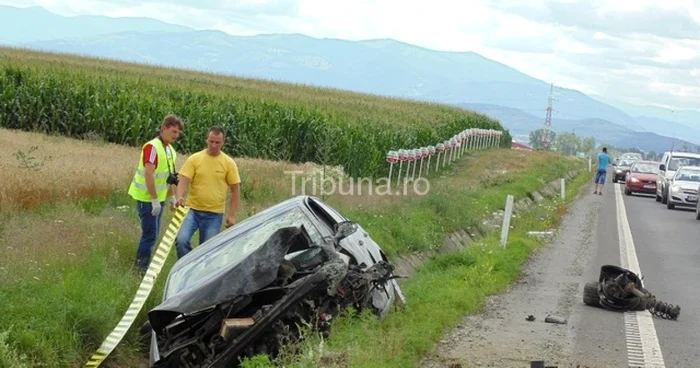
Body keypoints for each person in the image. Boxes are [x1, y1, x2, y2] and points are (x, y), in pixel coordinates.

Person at [128, 114, 184, 273]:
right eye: (173, 131)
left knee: (154, 234)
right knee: (149, 235)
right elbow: (148, 174)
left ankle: (143, 267)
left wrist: (172, 197)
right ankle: (140, 270)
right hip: (146, 198)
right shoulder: (152, 147)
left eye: (178, 133)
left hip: (159, 198)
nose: (175, 135)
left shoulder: (170, 151)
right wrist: (154, 200)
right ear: (164, 128)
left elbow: (170, 177)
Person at [175, 125, 241, 258]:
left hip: (214, 214)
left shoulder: (228, 163)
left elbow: (235, 190)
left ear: (223, 142)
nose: (214, 145)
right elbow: (183, 180)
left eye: (217, 142)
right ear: (206, 140)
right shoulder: (195, 159)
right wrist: (179, 197)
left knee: (207, 252)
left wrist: (232, 215)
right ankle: (187, 267)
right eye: (211, 141)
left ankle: (199, 273)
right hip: (191, 210)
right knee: (181, 240)